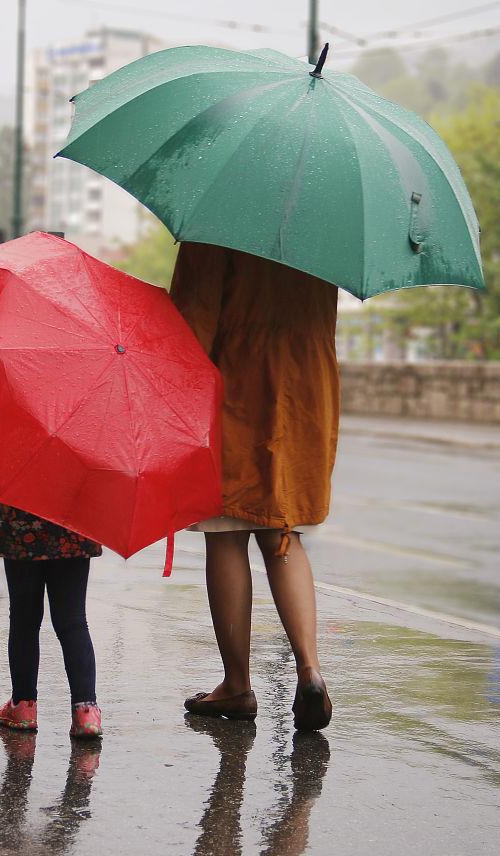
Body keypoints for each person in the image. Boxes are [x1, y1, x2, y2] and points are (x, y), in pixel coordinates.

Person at [170, 242, 337, 731]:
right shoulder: (324, 223)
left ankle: (238, 684)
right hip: (306, 384)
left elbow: (193, 319)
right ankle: (310, 668)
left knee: (226, 532)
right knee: (282, 533)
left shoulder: (222, 223)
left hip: (235, 380)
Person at [0, 469, 105, 738]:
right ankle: (86, 713)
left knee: (24, 619)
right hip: (75, 522)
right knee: (72, 620)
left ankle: (23, 706)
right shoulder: (89, 428)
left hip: (22, 520)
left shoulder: (16, 427)